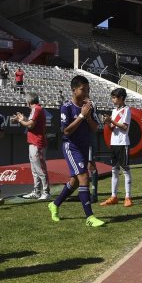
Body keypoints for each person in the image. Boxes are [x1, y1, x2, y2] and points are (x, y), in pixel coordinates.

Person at [47, 75, 105, 227]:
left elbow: (95, 128)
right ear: (74, 90)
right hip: (71, 146)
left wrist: (87, 116)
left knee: (74, 182)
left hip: (84, 146)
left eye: (88, 89)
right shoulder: (66, 107)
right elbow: (66, 131)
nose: (86, 92)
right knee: (84, 176)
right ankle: (90, 217)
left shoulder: (89, 106)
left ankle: (55, 204)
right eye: (83, 89)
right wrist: (81, 116)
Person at [15, 93, 50, 200]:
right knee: (35, 169)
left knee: (40, 169)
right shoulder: (37, 109)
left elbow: (30, 125)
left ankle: (46, 192)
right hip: (34, 142)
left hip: (37, 142)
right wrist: (23, 118)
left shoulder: (36, 109)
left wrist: (21, 120)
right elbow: (31, 123)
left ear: (28, 102)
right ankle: (37, 191)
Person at [101, 88, 132, 207]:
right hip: (114, 143)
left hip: (123, 143)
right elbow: (113, 128)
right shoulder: (114, 111)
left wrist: (111, 121)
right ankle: (114, 196)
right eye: (112, 97)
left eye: (114, 97)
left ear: (121, 98)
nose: (112, 99)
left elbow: (124, 127)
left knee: (125, 169)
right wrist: (107, 122)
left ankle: (128, 197)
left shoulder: (127, 110)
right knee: (114, 170)